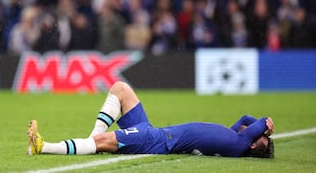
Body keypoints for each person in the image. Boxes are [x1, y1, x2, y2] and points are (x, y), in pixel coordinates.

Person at [27, 82, 275, 158]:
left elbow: (260, 122)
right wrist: (262, 128)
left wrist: (267, 125)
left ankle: (44, 146)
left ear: (253, 144)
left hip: (157, 141)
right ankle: (90, 139)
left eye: (259, 135)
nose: (252, 129)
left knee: (102, 141)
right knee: (121, 88)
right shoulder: (233, 138)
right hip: (155, 132)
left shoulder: (239, 145)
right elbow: (245, 118)